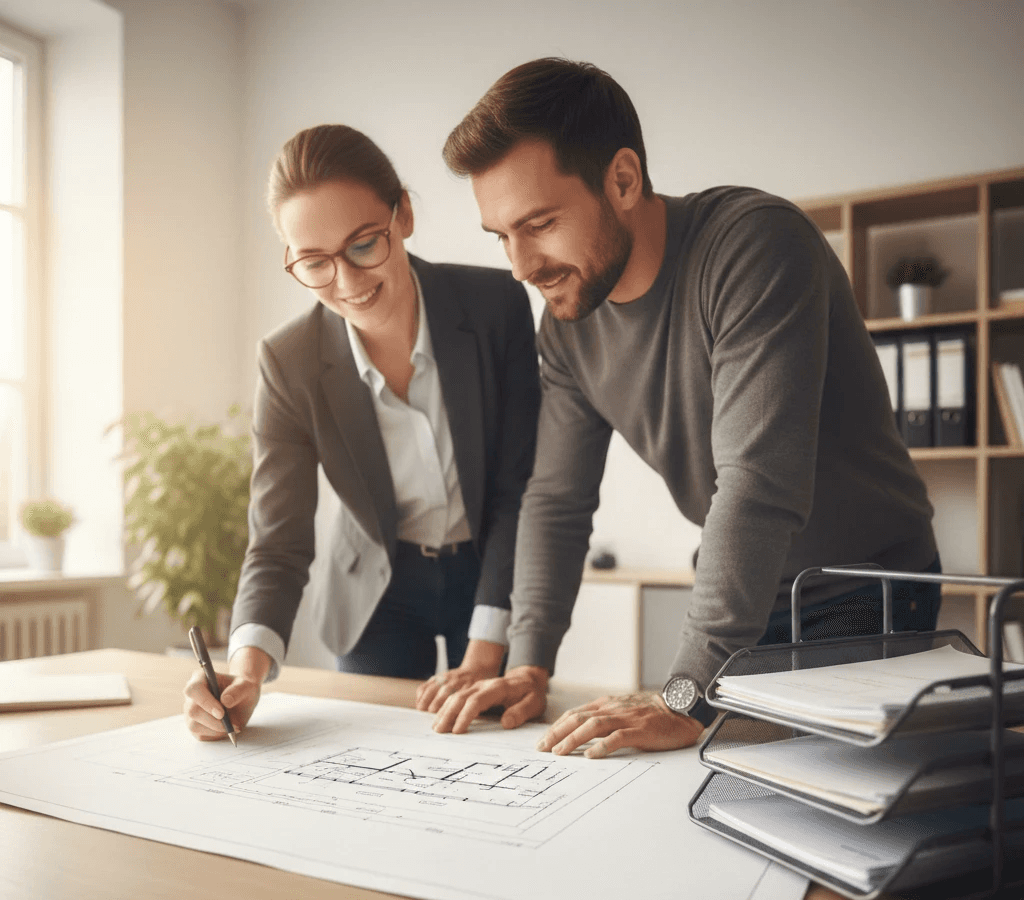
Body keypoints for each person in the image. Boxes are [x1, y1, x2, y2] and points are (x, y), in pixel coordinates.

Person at [426, 58, 941, 757]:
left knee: (781, 803)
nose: (520, 264)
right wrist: (529, 663)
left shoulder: (755, 247)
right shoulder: (568, 324)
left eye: (540, 223)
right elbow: (555, 500)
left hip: (865, 596)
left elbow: (757, 486)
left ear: (624, 179)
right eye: (502, 236)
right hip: (744, 603)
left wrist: (684, 694)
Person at [183, 124, 540, 741]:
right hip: (377, 588)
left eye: (363, 245)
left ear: (402, 214)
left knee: (490, 739)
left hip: (487, 571)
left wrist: (485, 654)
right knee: (372, 755)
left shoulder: (493, 307)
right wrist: (245, 672)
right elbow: (278, 541)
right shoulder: (289, 361)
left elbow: (519, 487)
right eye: (314, 263)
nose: (346, 283)